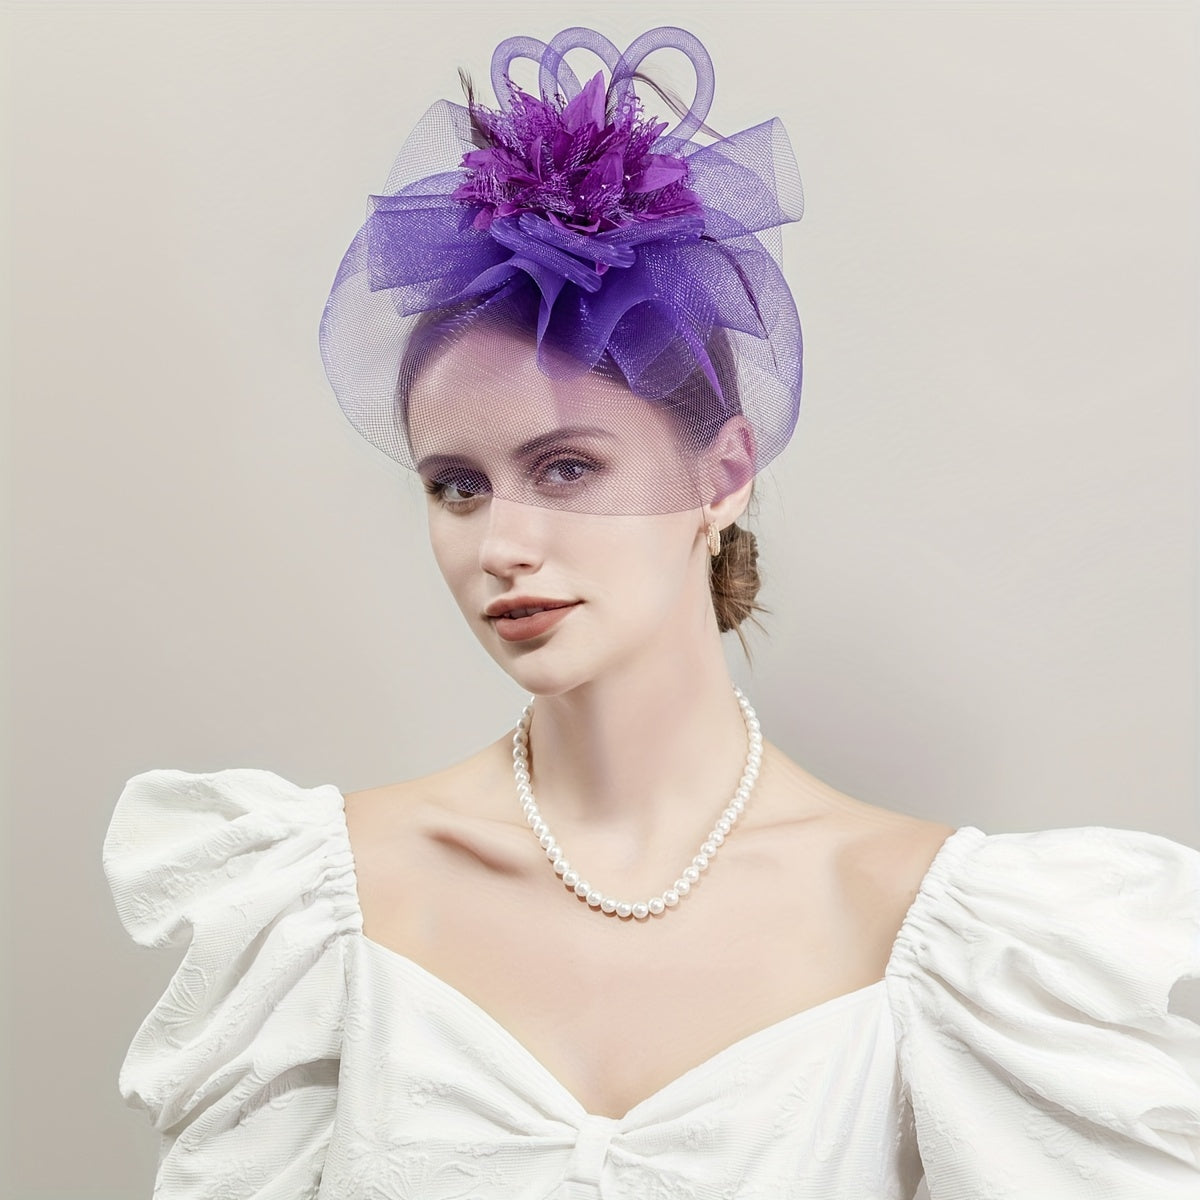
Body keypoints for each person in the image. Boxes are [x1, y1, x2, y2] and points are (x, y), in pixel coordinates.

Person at [103, 25, 1200, 1200]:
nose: (502, 545)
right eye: (456, 486)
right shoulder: (329, 906)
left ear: (724, 476)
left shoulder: (931, 930)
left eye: (567, 467)